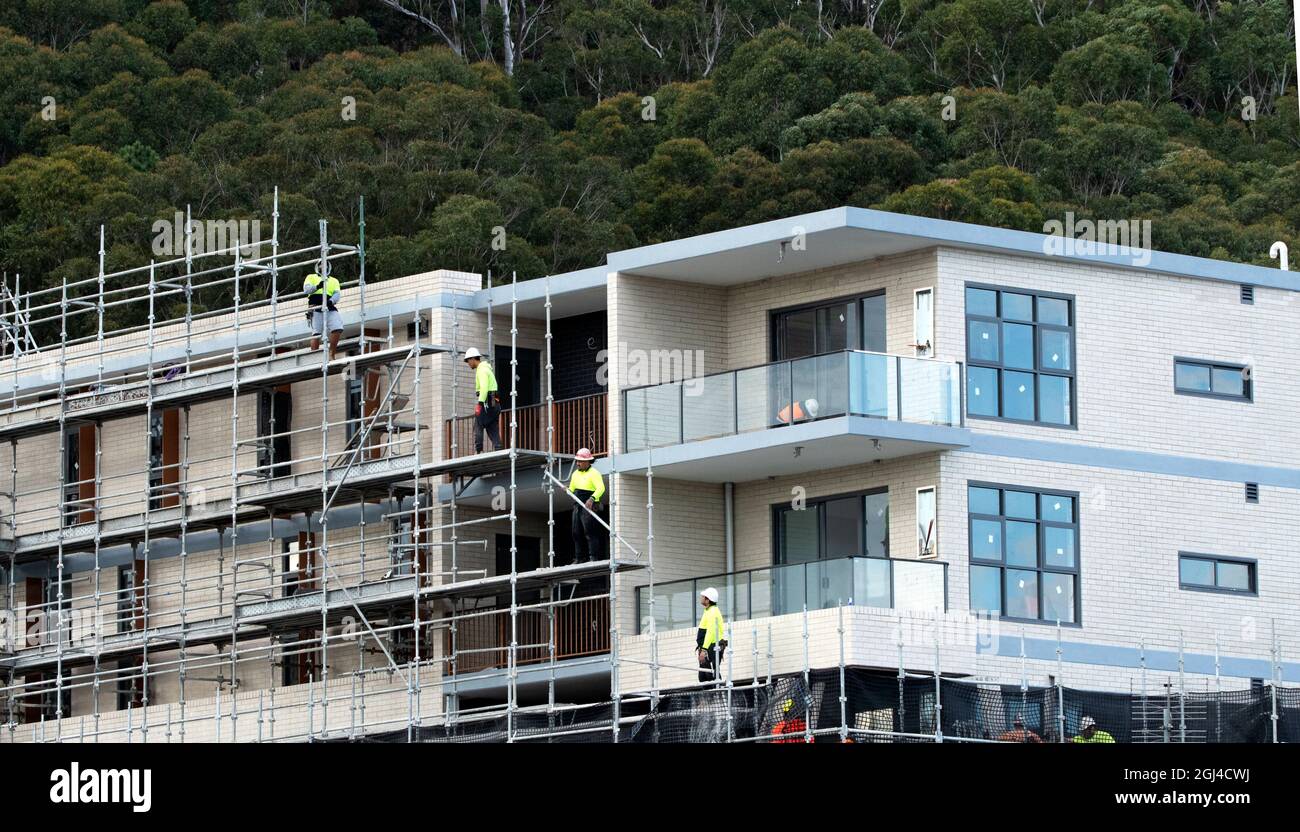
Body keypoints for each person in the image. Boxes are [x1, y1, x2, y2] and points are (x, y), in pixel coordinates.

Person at [567, 448, 605, 563]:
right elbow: (572, 489)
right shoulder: (575, 474)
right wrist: (567, 490)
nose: (577, 464)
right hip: (578, 504)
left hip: (590, 504)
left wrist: (592, 499)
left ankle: (593, 557)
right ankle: (579, 557)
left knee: (590, 531)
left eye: (580, 461)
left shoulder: (594, 473)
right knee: (576, 531)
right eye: (577, 461)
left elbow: (601, 488)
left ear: (588, 461)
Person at [463, 348, 500, 453]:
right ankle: (498, 448)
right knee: (491, 426)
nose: (468, 364)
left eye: (468, 361)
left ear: (473, 359)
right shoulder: (486, 369)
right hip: (494, 402)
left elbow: (484, 388)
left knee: (478, 424)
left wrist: (479, 404)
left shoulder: (482, 370)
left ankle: (478, 451)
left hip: (488, 400)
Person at [303, 267, 342, 360]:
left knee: (337, 327)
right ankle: (314, 359)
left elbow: (337, 294)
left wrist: (331, 301)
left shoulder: (334, 280)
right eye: (321, 266)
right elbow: (306, 290)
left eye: (325, 266)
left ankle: (331, 354)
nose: (323, 268)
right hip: (315, 306)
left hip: (329, 306)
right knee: (317, 333)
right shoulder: (311, 277)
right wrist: (317, 286)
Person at [696, 587, 727, 686]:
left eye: (703, 597)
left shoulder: (713, 612)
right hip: (708, 646)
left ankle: (718, 692)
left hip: (712, 646)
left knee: (712, 674)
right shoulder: (708, 610)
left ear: (708, 600)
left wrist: (704, 649)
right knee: (704, 675)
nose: (701, 598)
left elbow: (711, 632)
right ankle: (712, 692)